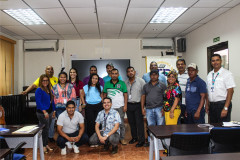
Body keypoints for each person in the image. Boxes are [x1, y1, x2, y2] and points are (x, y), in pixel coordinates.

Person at [22, 65, 58, 142]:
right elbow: (33, 86)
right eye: (48, 69)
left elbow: (52, 99)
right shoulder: (39, 85)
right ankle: (42, 143)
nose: (50, 70)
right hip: (43, 111)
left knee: (49, 126)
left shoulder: (55, 80)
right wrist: (26, 91)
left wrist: (54, 110)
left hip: (51, 108)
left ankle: (48, 140)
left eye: (51, 69)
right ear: (45, 70)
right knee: (43, 127)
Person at [206, 54, 236, 123]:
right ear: (211, 62)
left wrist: (225, 108)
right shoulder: (209, 75)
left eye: (217, 60)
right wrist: (207, 104)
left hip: (222, 104)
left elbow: (230, 91)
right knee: (213, 127)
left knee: (223, 128)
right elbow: (208, 91)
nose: (215, 62)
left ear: (221, 61)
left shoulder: (227, 74)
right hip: (212, 105)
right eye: (213, 61)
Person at [103, 68, 128, 145]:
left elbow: (125, 95)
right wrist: (104, 105)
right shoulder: (107, 83)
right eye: (112, 73)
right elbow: (104, 94)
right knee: (109, 123)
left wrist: (125, 105)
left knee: (121, 124)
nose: (114, 75)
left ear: (118, 74)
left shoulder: (122, 83)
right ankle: (110, 138)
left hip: (120, 106)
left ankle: (122, 138)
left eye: (115, 73)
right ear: (110, 75)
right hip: (110, 108)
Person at [141, 70, 167, 141]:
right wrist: (142, 108)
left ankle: (161, 142)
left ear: (158, 76)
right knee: (150, 126)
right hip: (149, 109)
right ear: (150, 76)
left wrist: (164, 108)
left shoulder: (162, 85)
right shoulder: (145, 86)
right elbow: (143, 97)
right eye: (152, 75)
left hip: (159, 108)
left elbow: (166, 98)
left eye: (155, 75)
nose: (153, 76)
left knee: (160, 126)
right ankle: (151, 141)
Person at [125, 66, 146, 147]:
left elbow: (144, 95)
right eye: (129, 71)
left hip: (138, 104)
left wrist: (142, 107)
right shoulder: (125, 82)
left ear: (134, 72)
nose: (130, 72)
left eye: (132, 71)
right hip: (129, 105)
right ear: (127, 73)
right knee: (131, 123)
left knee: (139, 123)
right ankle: (134, 138)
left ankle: (141, 140)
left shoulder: (141, 81)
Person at [35, 74, 56, 153]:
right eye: (43, 80)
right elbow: (38, 102)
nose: (45, 82)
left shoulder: (49, 89)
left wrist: (54, 111)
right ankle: (43, 146)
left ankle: (46, 144)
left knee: (47, 129)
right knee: (45, 129)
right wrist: (44, 112)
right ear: (41, 81)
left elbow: (52, 101)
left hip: (50, 112)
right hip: (42, 113)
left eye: (47, 80)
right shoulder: (39, 90)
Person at [81, 73, 103, 137]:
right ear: (90, 79)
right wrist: (84, 103)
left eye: (96, 79)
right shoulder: (85, 87)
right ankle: (91, 139)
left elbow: (102, 96)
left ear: (98, 80)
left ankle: (98, 138)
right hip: (89, 107)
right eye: (93, 78)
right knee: (90, 123)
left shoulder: (100, 87)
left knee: (98, 123)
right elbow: (82, 95)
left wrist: (102, 104)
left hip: (99, 106)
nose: (94, 80)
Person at [176, 59, 188, 123]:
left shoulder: (189, 75)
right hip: (176, 103)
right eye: (178, 64)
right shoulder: (175, 75)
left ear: (185, 65)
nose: (180, 66)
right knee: (177, 122)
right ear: (176, 66)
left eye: (182, 64)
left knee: (186, 123)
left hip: (185, 103)